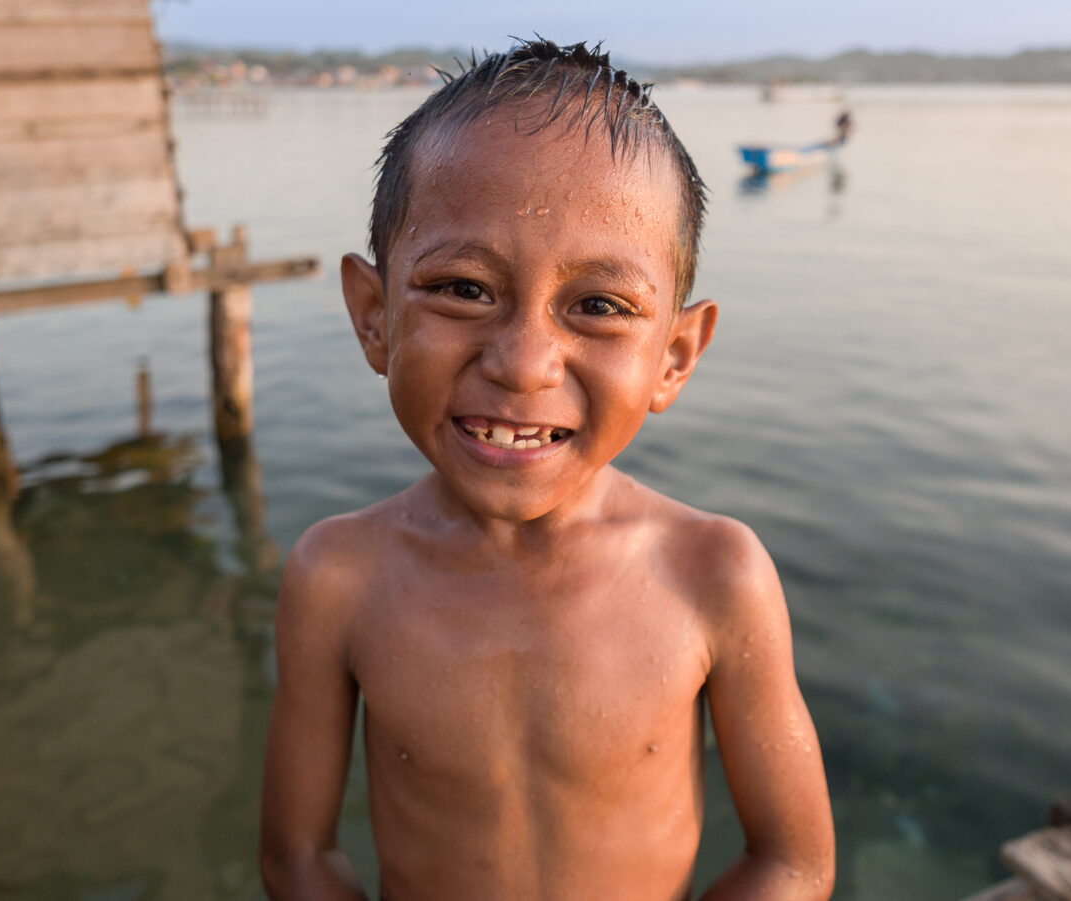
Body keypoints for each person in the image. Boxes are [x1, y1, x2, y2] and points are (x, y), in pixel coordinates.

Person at [260, 38, 835, 901]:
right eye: (461, 288)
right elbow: (298, 857)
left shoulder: (714, 574)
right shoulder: (337, 577)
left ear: (674, 355)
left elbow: (790, 862)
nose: (524, 363)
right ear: (374, 316)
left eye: (599, 306)